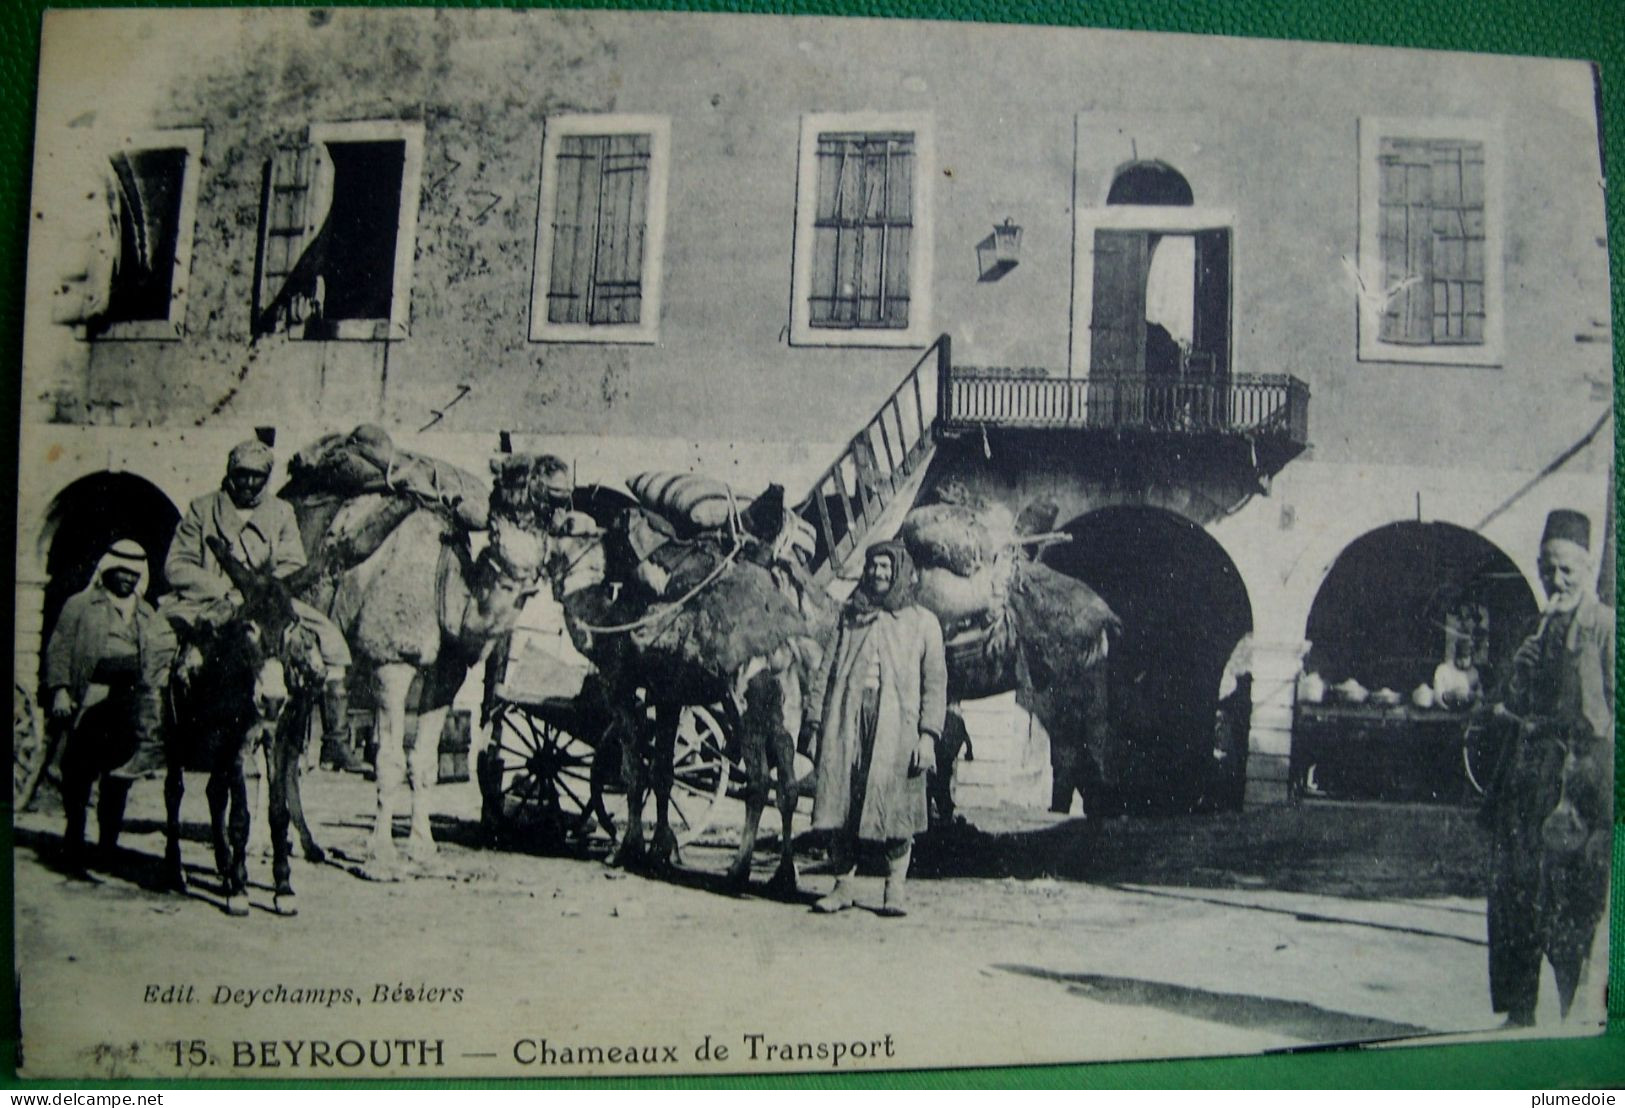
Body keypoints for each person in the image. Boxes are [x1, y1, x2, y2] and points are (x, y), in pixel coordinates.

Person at [127, 439, 352, 777]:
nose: (248, 483)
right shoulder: (202, 509)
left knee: (331, 642)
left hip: (265, 602)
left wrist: (260, 592)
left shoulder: (281, 513)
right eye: (241, 475)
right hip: (207, 600)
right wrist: (223, 589)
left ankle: (334, 737)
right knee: (156, 639)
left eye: (257, 477)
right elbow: (177, 565)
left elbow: (292, 562)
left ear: (267, 477)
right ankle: (151, 742)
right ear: (229, 473)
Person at [1483, 508, 1613, 1027]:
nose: (1555, 581)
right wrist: (1519, 675)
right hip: (1527, 780)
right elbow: (1515, 701)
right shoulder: (1538, 626)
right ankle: (1519, 1011)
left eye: (1566, 571)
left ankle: (1571, 1011)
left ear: (1585, 569)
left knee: (1572, 900)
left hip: (1579, 786)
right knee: (1515, 894)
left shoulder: (1605, 627)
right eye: (1546, 570)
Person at [810, 540, 947, 917]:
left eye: (886, 567)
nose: (879, 573)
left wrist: (928, 736)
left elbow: (935, 684)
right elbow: (826, 669)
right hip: (847, 721)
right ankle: (842, 887)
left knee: (898, 809)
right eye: (873, 567)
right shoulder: (851, 616)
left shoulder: (922, 622)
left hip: (897, 730)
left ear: (900, 570)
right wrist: (814, 723)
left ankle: (894, 890)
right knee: (841, 802)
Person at [43, 539, 176, 870]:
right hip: (91, 695)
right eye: (121, 572)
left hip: (129, 702)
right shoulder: (80, 605)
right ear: (107, 570)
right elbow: (58, 648)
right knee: (79, 774)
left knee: (118, 776)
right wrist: (60, 690)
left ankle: (106, 849)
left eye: (134, 575)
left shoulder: (147, 613)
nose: (127, 580)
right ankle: (73, 845)